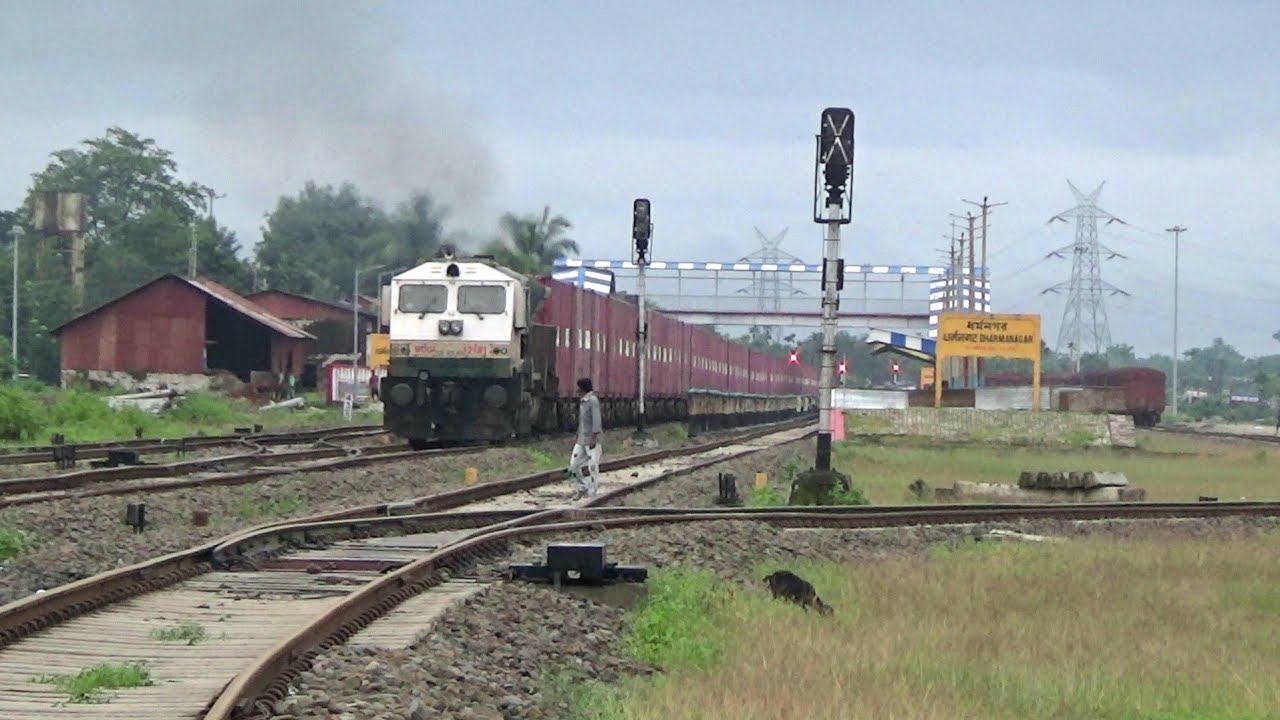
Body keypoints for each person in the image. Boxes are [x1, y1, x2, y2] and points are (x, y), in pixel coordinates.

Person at [568, 377, 602, 499]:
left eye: (578, 387)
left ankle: (593, 493)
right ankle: (582, 487)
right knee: (573, 465)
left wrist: (594, 437)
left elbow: (596, 420)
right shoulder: (583, 401)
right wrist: (577, 435)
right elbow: (581, 422)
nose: (577, 390)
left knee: (592, 467)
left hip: (592, 440)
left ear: (583, 388)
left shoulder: (592, 400)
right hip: (581, 440)